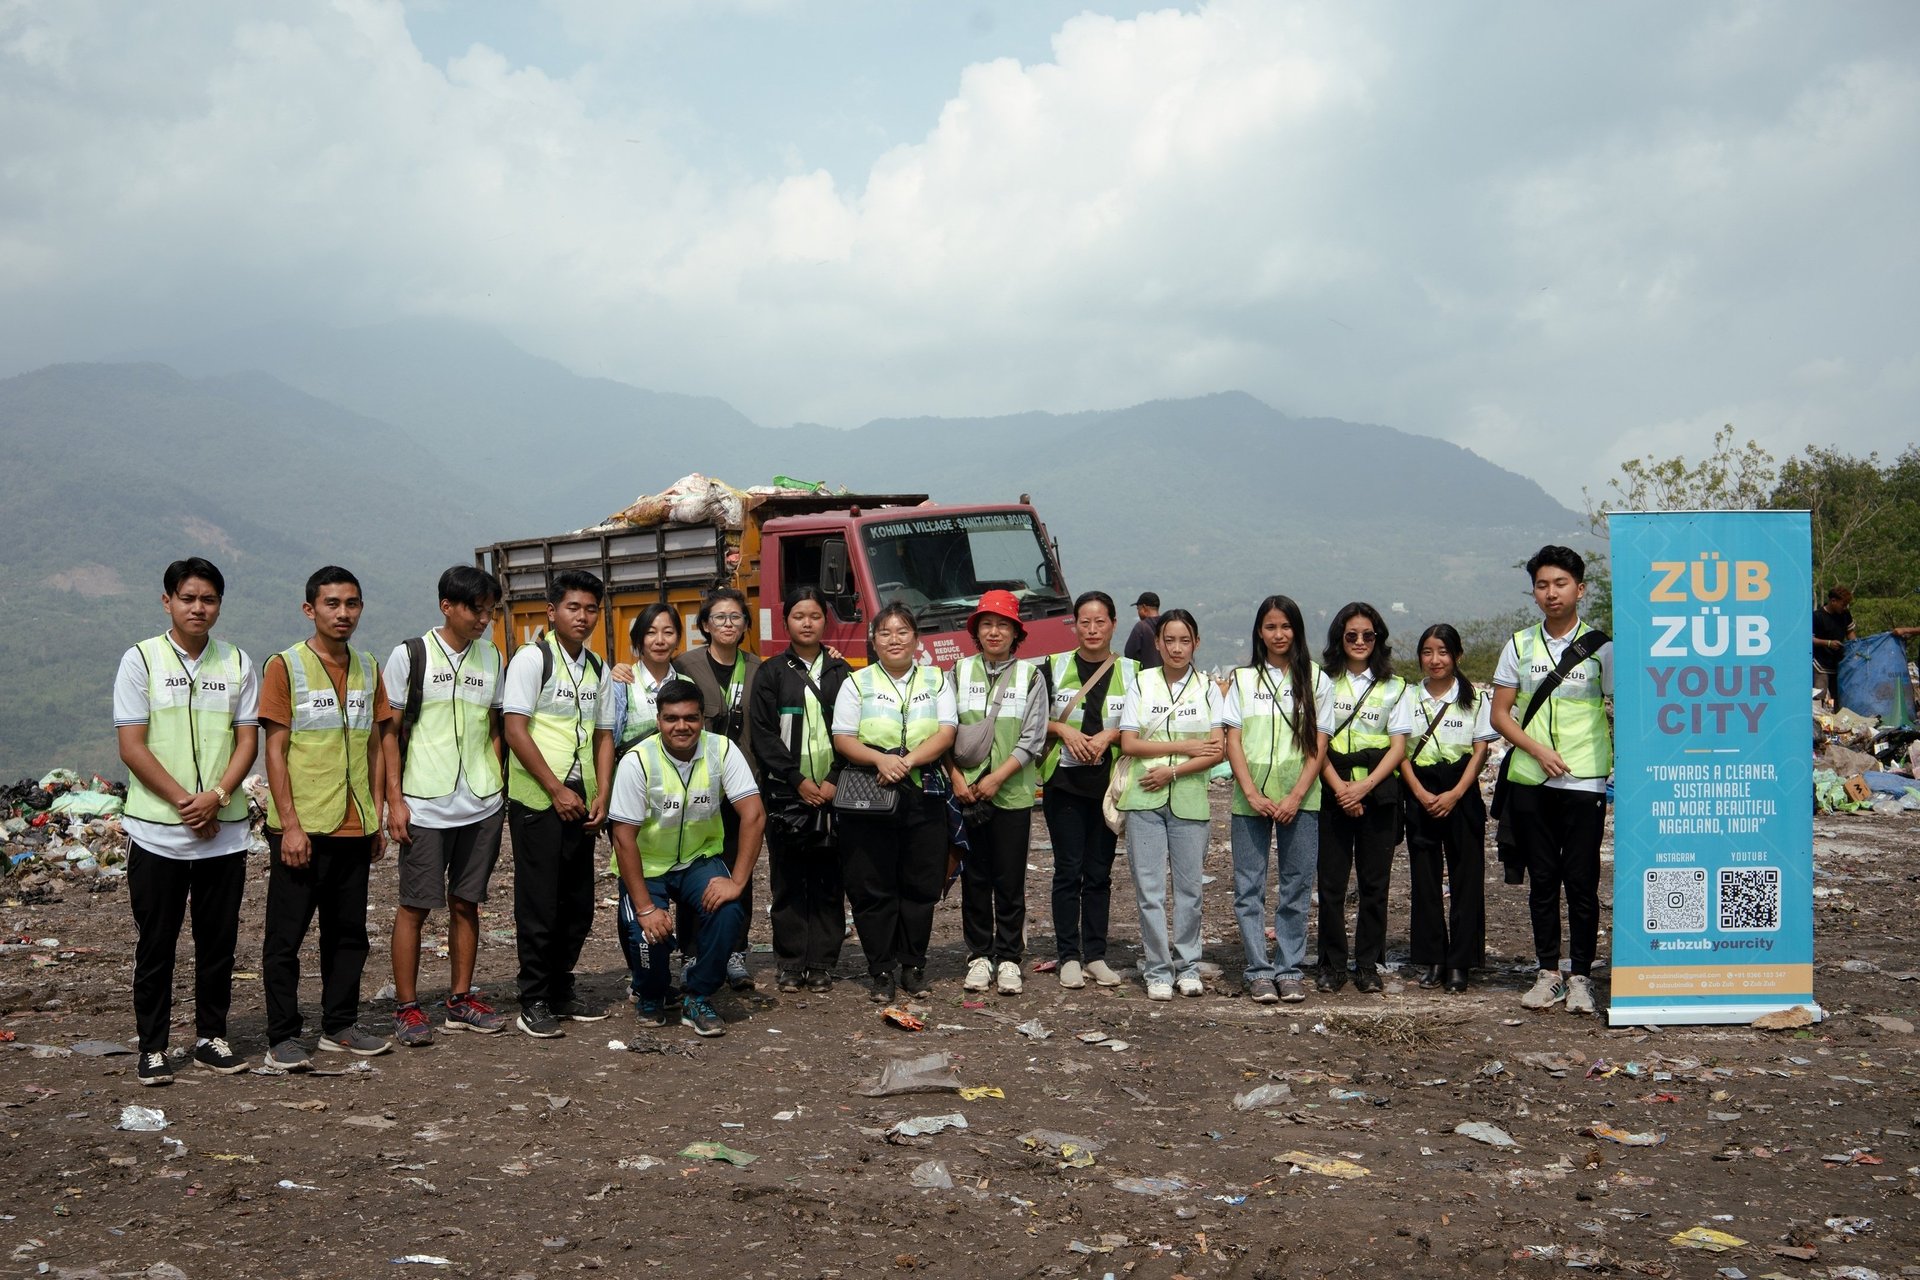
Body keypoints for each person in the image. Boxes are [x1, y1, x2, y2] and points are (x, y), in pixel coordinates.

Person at [115, 558, 260, 1086]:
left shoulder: (238, 661)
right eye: (188, 598)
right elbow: (132, 746)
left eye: (209, 599)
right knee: (156, 943)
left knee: (217, 941)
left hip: (223, 832)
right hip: (157, 831)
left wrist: (218, 796)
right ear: (167, 601)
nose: (198, 608)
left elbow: (248, 740)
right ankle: (152, 1047)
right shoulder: (141, 661)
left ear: (219, 605)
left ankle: (210, 1036)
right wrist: (184, 802)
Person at [259, 566, 395, 1068]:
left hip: (354, 824)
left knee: (349, 935)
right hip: (303, 829)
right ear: (309, 609)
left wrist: (377, 815)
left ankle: (338, 1026)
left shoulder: (367, 666)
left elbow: (378, 745)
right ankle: (282, 1036)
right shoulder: (286, 666)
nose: (343, 613)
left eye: (352, 604)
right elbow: (274, 751)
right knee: (286, 938)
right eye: (332, 604)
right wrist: (289, 825)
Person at [380, 565, 510, 1047]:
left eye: (489, 611)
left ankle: (460, 1000)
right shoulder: (410, 655)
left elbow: (495, 726)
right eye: (475, 610)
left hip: (480, 802)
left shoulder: (491, 658)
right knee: (415, 906)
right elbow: (389, 733)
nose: (483, 619)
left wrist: (493, 777)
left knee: (466, 903)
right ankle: (408, 1007)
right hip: (425, 803)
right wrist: (395, 800)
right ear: (446, 606)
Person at [1491, 545, 1614, 1017]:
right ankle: (1547, 974)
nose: (1551, 592)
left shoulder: (1603, 647)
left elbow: (1626, 704)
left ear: (1579, 589)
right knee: (1542, 880)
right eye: (1542, 585)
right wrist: (1537, 750)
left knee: (1581, 881)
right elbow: (1501, 715)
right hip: (1529, 778)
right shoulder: (1519, 644)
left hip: (1584, 779)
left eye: (1560, 583)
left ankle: (1581, 976)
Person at [607, 680, 767, 1036]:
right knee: (645, 933)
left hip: (698, 858)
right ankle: (651, 992)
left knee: (729, 911)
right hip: (647, 866)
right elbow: (623, 837)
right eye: (671, 718)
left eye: (691, 718)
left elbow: (754, 814)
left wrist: (737, 881)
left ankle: (697, 993)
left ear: (703, 719)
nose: (682, 726)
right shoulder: (637, 760)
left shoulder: (722, 750)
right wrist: (647, 908)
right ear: (659, 719)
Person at [502, 569, 616, 1038]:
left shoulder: (598, 667)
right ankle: (533, 998)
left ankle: (561, 987)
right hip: (538, 800)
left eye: (591, 609)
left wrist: (602, 793)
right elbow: (514, 729)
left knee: (578, 903)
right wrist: (554, 789)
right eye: (573, 607)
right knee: (539, 904)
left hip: (582, 801)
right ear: (552, 612)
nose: (583, 617)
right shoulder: (533, 660)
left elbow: (605, 734)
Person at [831, 604, 957, 1003]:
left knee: (921, 883)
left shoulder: (936, 679)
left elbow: (946, 731)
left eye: (903, 631)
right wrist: (881, 759)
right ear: (874, 641)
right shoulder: (857, 682)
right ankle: (880, 970)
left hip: (924, 792)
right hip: (871, 794)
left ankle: (913, 966)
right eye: (885, 633)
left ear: (916, 639)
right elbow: (844, 737)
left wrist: (908, 762)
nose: (894, 639)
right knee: (872, 884)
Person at [1223, 595, 1333, 1005]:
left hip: (1300, 798)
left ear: (1297, 630)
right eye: (1270, 627)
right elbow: (1233, 738)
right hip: (1249, 799)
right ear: (1259, 632)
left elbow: (1319, 744)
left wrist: (1297, 793)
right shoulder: (1243, 679)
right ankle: (1257, 970)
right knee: (1249, 887)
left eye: (1285, 626)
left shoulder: (1317, 680)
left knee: (1296, 885)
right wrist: (1250, 791)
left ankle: (1288, 969)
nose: (1278, 634)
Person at [748, 588, 853, 993]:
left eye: (813, 616)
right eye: (798, 616)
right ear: (786, 622)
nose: (806, 623)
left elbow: (853, 731)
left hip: (832, 792)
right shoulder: (772, 673)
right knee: (788, 881)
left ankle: (823, 963)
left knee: (829, 880)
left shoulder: (842, 673)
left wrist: (830, 781)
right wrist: (798, 781)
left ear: (825, 621)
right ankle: (790, 963)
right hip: (786, 795)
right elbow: (763, 735)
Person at [1117, 609, 1223, 1000]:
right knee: (1149, 889)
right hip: (1143, 797)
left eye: (1185, 640)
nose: (1177, 648)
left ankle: (1188, 965)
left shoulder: (1210, 687)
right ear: (1157, 643)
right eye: (1169, 640)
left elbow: (1216, 750)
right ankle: (1158, 969)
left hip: (1190, 799)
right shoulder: (1142, 684)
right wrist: (1181, 748)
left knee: (1190, 889)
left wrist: (1173, 772)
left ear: (1196, 643)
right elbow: (1129, 743)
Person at [947, 589, 1048, 997]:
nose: (994, 632)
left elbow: (1033, 738)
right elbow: (943, 730)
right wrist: (956, 778)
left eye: (1002, 625)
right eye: (986, 624)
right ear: (976, 630)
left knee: (1009, 879)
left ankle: (1008, 957)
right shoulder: (956, 672)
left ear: (1015, 633)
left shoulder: (1031, 676)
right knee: (974, 877)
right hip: (967, 795)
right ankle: (978, 956)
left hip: (1012, 796)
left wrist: (996, 779)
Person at [1039, 591, 1138, 990]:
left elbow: (1144, 720)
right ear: (1074, 625)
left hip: (1109, 788)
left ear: (1114, 624)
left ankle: (1095, 954)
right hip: (1063, 784)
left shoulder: (1134, 671)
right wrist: (1062, 728)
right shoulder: (1052, 667)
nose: (1092, 629)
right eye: (1085, 621)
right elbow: (1029, 720)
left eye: (1100, 622)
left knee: (1099, 873)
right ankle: (1068, 956)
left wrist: (1111, 734)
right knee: (1068, 871)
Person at [671, 588, 763, 991]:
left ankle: (736, 951)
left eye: (736, 618)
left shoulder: (758, 668)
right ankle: (692, 952)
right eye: (720, 617)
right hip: (699, 787)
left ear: (745, 625)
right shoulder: (685, 665)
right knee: (695, 870)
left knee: (739, 869)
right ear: (705, 625)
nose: (728, 624)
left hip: (742, 786)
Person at [1315, 603, 1409, 995]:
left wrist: (1364, 787)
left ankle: (1368, 963)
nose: (1359, 642)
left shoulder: (1396, 686)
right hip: (1331, 785)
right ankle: (1332, 964)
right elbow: (1313, 742)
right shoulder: (1321, 682)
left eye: (1367, 635)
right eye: (1350, 635)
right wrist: (1341, 789)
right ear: (1339, 638)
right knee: (1331, 884)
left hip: (1378, 791)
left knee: (1375, 883)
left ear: (1378, 639)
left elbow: (1398, 746)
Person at [1397, 623, 1496, 994]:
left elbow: (1481, 750)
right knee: (1424, 878)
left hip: (1462, 789)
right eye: (1427, 652)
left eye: (1442, 652)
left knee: (1466, 877)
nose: (1434, 660)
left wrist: (1456, 793)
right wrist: (1420, 793)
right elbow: (1401, 751)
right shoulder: (1407, 698)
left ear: (1457, 656)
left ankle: (1461, 962)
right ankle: (1433, 957)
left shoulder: (1475, 699)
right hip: (1419, 788)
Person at [1812, 586, 1855, 710]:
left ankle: (1837, 722)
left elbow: (1850, 632)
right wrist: (1828, 643)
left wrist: (1856, 648)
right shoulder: (1817, 616)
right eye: (1843, 604)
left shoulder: (1845, 615)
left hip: (1839, 663)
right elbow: (1810, 639)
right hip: (1820, 664)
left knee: (1838, 697)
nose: (1845, 607)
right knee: (1819, 695)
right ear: (1833, 601)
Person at [1122, 592, 1163, 669]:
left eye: (1138, 609)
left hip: (1147, 677)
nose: (1138, 612)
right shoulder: (1168, 625)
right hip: (1168, 677)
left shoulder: (1141, 627)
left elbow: (1129, 655)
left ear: (1144, 608)